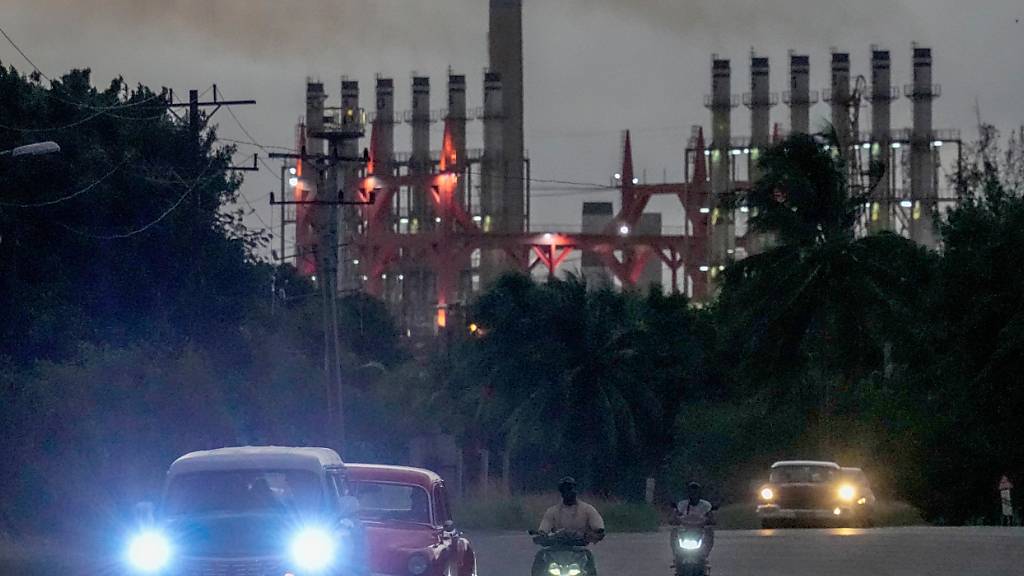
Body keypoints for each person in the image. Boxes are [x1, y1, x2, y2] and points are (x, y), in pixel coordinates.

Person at [538, 477, 606, 543]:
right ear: (561, 493)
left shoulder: (588, 509)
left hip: (581, 549)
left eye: (571, 489)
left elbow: (599, 528)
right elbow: (544, 529)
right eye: (565, 490)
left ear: (576, 491)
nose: (569, 492)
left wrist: (595, 534)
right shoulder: (552, 511)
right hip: (557, 548)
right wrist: (541, 535)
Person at [673, 482, 715, 558]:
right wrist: (675, 520)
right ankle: (677, 554)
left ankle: (704, 555)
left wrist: (708, 521)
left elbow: (711, 517)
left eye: (696, 492)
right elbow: (675, 516)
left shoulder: (705, 505)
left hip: (700, 529)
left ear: (699, 493)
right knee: (674, 531)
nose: (693, 494)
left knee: (709, 531)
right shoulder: (682, 504)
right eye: (691, 491)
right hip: (685, 529)